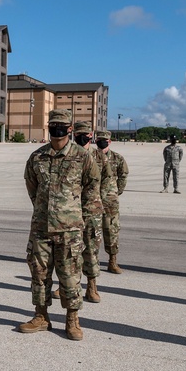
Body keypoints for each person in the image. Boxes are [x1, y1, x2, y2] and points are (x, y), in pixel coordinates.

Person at [18, 110, 99, 340]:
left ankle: (72, 320)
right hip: (41, 228)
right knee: (39, 274)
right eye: (53, 125)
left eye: (62, 125)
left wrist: (78, 216)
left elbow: (92, 187)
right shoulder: (37, 157)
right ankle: (41, 316)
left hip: (70, 229)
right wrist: (43, 209)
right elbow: (31, 186)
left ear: (70, 128)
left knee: (70, 276)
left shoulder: (82, 157)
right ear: (48, 127)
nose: (57, 129)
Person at [73, 122, 109, 302]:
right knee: (70, 250)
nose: (82, 138)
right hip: (71, 210)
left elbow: (107, 181)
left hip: (92, 210)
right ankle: (68, 285)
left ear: (91, 135)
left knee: (92, 249)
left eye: (85, 134)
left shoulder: (99, 156)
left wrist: (101, 202)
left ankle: (92, 287)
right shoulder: (69, 154)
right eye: (79, 134)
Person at [95, 130, 128, 274]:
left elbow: (123, 175)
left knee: (111, 230)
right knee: (92, 232)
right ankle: (92, 262)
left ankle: (112, 261)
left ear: (109, 141)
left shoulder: (117, 158)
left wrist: (116, 191)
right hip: (93, 199)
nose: (102, 143)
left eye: (105, 140)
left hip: (110, 200)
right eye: (99, 140)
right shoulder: (90, 156)